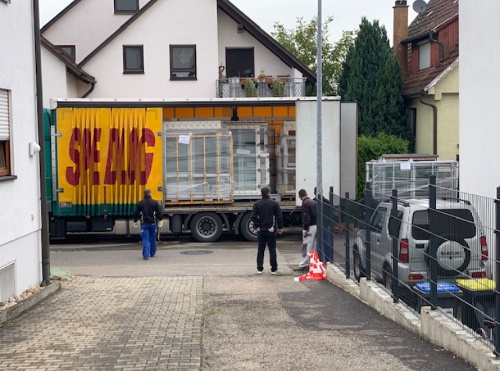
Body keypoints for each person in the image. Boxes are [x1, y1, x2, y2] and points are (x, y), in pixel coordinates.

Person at [251, 187, 284, 274]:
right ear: (269, 193)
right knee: (272, 249)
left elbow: (253, 216)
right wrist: (280, 227)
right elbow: (279, 216)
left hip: (261, 230)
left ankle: (259, 268)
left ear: (261, 193)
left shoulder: (257, 204)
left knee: (260, 249)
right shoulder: (274, 203)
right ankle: (274, 269)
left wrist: (257, 226)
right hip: (271, 230)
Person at [134, 189, 163, 260]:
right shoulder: (155, 203)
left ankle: (146, 255)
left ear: (144, 194)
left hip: (144, 224)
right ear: (150, 194)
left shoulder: (140, 203)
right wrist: (161, 219)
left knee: (145, 239)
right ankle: (152, 253)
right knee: (153, 238)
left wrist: (135, 221)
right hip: (153, 224)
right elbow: (159, 212)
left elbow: (136, 213)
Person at [297, 189, 317, 270]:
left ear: (299, 196)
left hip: (310, 227)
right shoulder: (313, 202)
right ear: (306, 193)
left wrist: (305, 228)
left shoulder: (305, 203)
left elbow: (306, 217)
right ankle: (312, 261)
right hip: (315, 225)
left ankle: (305, 263)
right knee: (313, 245)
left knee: (308, 244)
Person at [314, 187, 332, 263]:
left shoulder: (313, 202)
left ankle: (316, 259)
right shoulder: (327, 202)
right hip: (326, 224)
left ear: (314, 193)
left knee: (314, 243)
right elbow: (331, 214)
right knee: (326, 242)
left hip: (315, 224)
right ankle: (327, 260)